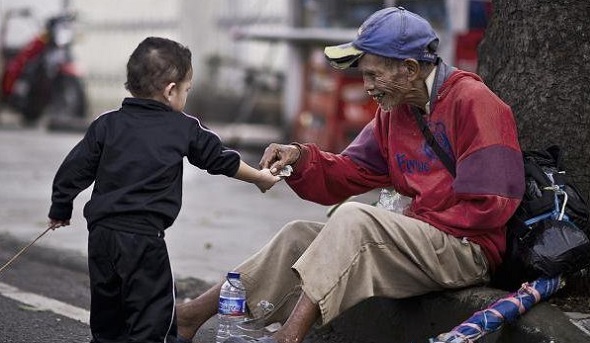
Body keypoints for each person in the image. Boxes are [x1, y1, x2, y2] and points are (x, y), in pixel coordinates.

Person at [176, 6, 525, 343]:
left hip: (468, 251)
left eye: (374, 75)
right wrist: (299, 158)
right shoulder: (395, 112)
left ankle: (289, 336)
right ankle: (190, 316)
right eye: (364, 74)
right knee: (298, 235)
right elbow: (350, 171)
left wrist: (411, 220)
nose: (368, 86)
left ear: (409, 68)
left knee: (355, 218)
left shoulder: (474, 101)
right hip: (424, 243)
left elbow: (493, 203)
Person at [47, 36, 281, 343]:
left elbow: (73, 171)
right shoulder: (183, 128)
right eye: (186, 89)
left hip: (101, 237)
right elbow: (220, 160)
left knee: (107, 313)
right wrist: (260, 178)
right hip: (144, 241)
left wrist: (60, 209)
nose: (185, 95)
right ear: (171, 91)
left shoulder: (106, 125)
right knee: (152, 316)